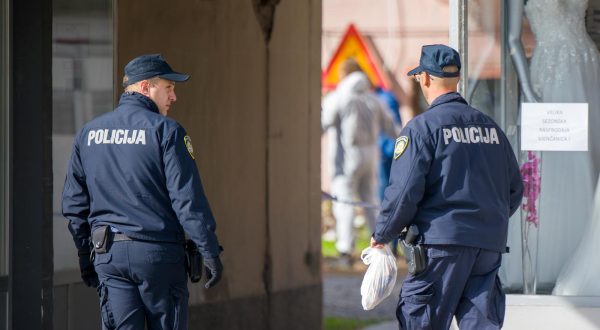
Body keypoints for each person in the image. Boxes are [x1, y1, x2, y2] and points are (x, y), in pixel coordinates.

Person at [62, 54, 224, 329]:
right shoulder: (167, 131)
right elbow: (187, 200)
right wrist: (209, 251)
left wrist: (84, 254)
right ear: (146, 87)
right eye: (169, 88)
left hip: (109, 255)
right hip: (157, 256)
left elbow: (75, 205)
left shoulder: (89, 133)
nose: (174, 97)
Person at [370, 44, 523, 329]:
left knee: (423, 321)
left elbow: (404, 192)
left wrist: (382, 234)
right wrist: (485, 219)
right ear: (457, 78)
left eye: (419, 78)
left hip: (440, 247)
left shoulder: (422, 128)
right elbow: (514, 189)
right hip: (487, 245)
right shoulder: (490, 128)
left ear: (425, 78)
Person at [507, 0, 599, 292]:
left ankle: (588, 255)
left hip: (588, 67)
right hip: (550, 73)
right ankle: (547, 260)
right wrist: (526, 86)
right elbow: (512, 39)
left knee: (588, 158)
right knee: (551, 164)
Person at [322, 59, 397, 267]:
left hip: (346, 157)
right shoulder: (374, 99)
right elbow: (393, 127)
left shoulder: (338, 98)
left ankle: (345, 249)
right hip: (370, 155)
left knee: (344, 201)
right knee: (371, 201)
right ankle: (382, 243)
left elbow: (322, 122)